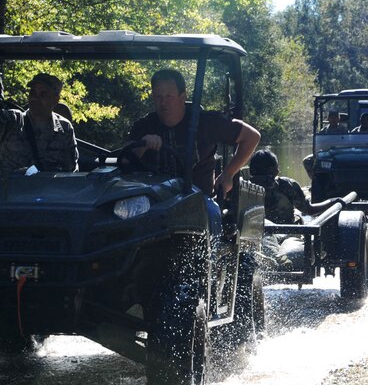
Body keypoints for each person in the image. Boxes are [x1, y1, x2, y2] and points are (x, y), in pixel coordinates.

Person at [124, 68, 260, 197]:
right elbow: (124, 161)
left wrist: (228, 174)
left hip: (200, 203)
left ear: (182, 96)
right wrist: (142, 145)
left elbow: (252, 137)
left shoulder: (206, 121)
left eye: (169, 96)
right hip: (154, 203)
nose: (163, 102)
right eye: (159, 96)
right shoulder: (144, 126)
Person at [0, 73, 78, 175]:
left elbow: (70, 171)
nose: (35, 98)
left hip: (42, 198)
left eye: (43, 94)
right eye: (32, 93)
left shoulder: (64, 129)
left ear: (55, 99)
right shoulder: (13, 120)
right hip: (4, 196)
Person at [249, 150, 341, 272]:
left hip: (254, 232)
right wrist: (332, 202)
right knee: (268, 234)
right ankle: (277, 260)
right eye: (277, 166)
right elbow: (310, 210)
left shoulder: (245, 187)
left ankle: (271, 259)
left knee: (265, 234)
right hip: (287, 231)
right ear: (273, 169)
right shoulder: (286, 185)